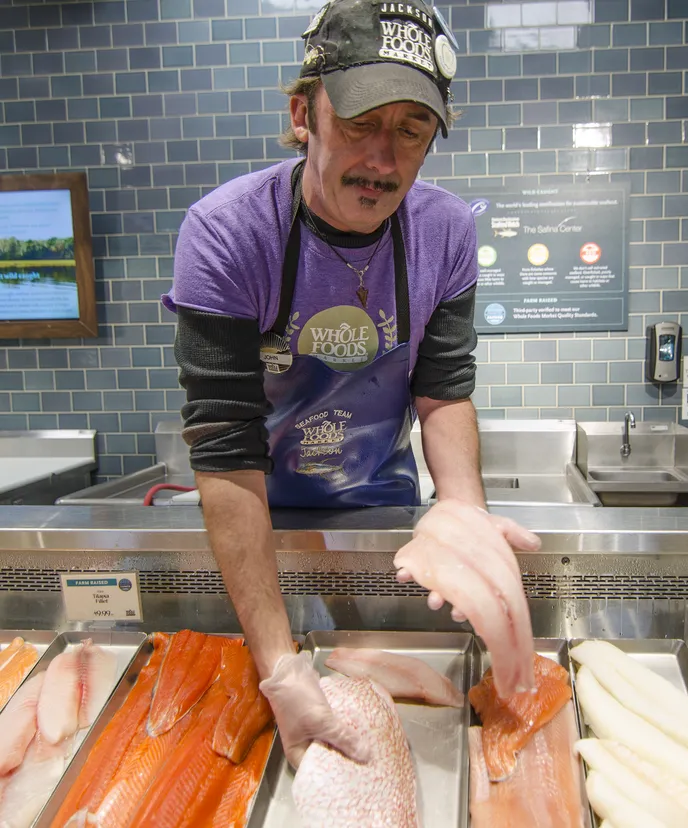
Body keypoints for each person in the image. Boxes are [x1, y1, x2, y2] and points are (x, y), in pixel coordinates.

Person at [163, 0, 539, 768]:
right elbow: (226, 448)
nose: (383, 158)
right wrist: (277, 666)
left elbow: (443, 389)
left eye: (412, 129)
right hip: (256, 513)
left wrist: (461, 515)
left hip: (379, 512)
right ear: (304, 112)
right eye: (363, 119)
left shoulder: (447, 232)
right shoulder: (227, 233)